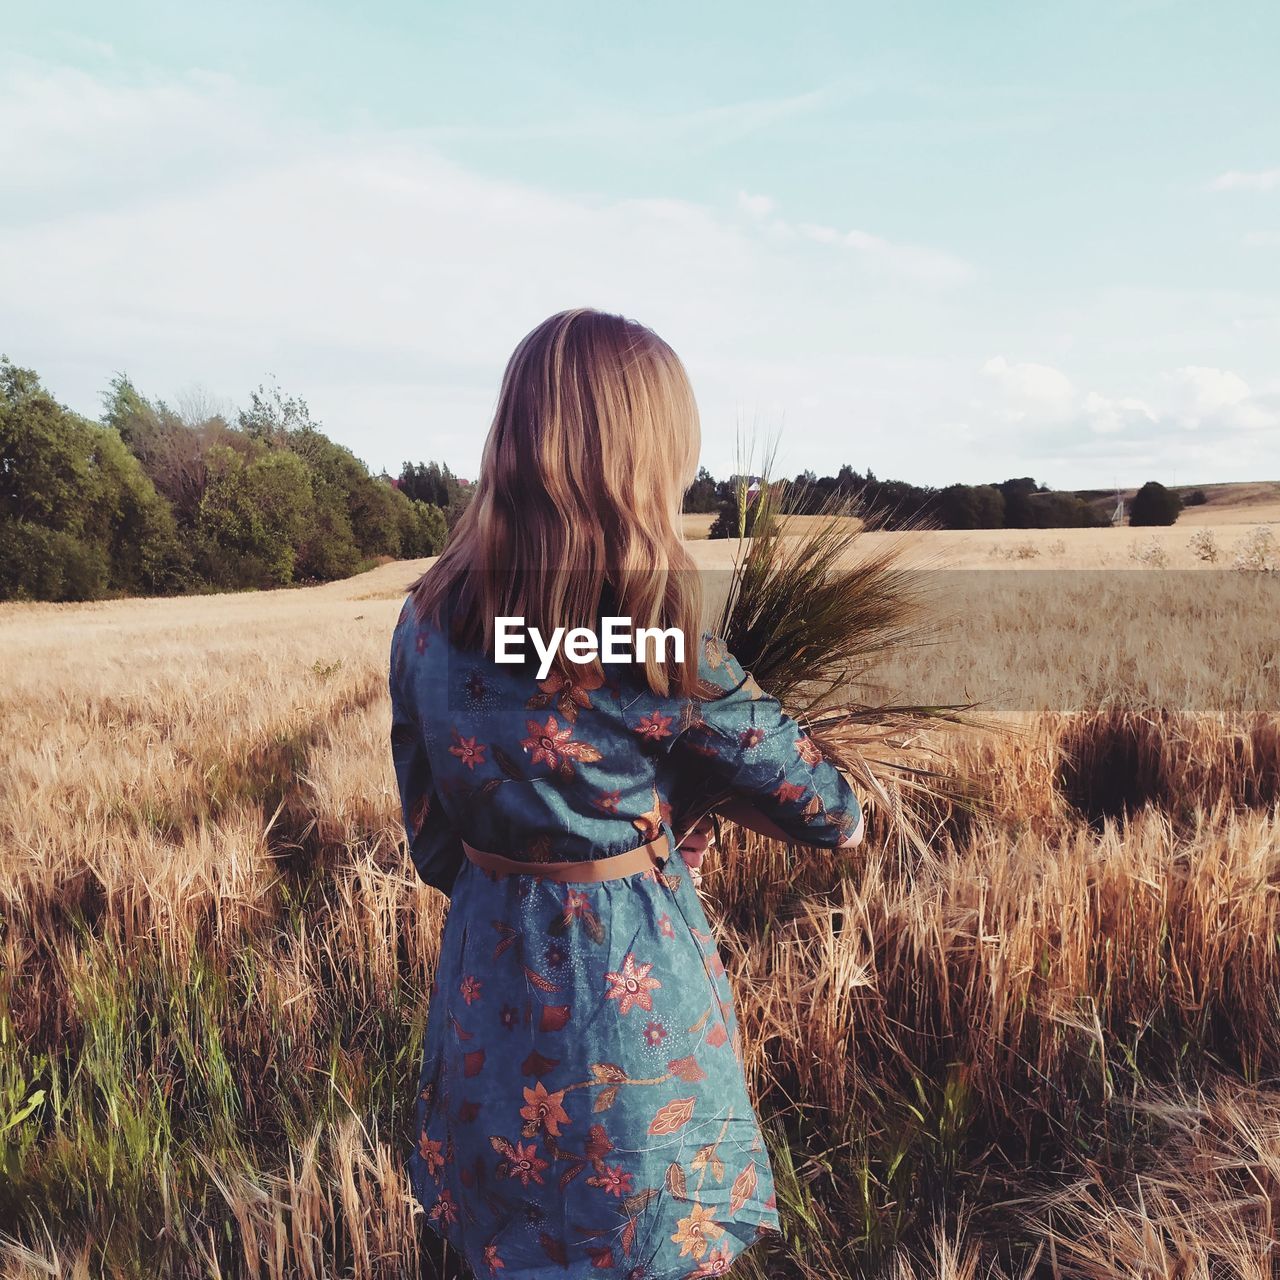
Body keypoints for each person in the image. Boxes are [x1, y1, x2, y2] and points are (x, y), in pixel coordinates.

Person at [388, 307, 864, 1279]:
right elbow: (835, 815)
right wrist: (674, 813)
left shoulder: (424, 623)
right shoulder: (660, 645)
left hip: (485, 998)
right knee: (648, 1242)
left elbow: (434, 845)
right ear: (642, 459)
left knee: (508, 1246)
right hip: (633, 1010)